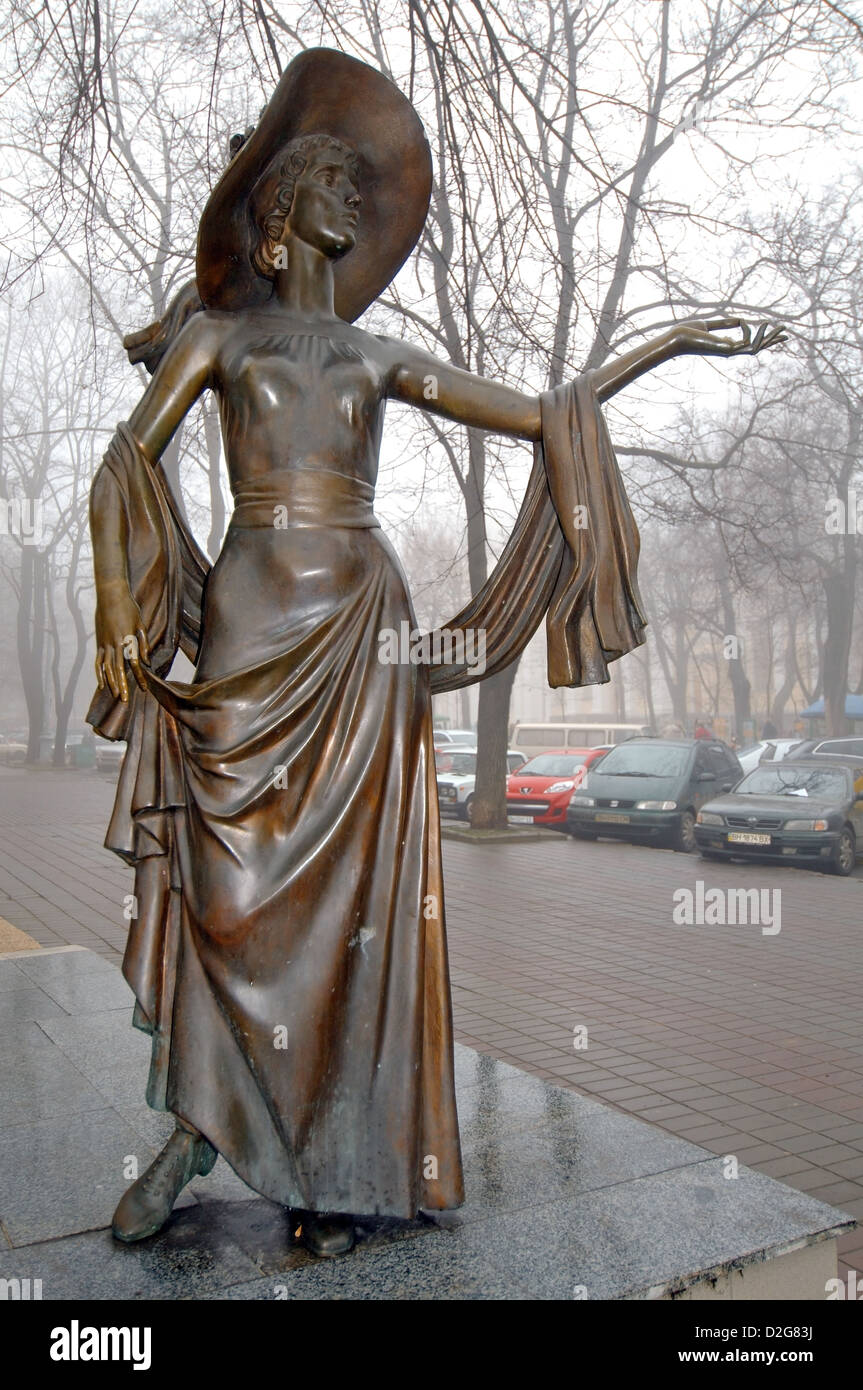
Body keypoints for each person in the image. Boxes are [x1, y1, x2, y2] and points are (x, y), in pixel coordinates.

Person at [88, 48, 784, 1257]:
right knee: (229, 895)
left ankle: (333, 1167)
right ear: (281, 216)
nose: (355, 204)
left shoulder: (374, 356)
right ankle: (196, 1125)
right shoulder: (219, 340)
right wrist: (125, 609)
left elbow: (535, 412)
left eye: (361, 189)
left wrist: (663, 345)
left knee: (350, 915)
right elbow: (124, 463)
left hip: (366, 641)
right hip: (253, 634)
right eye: (334, 187)